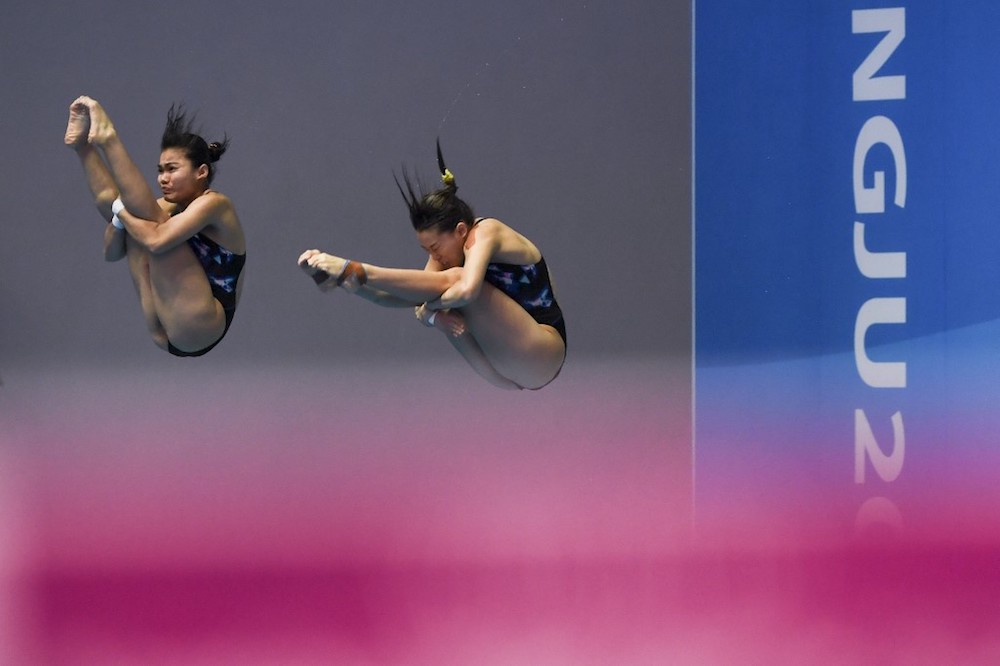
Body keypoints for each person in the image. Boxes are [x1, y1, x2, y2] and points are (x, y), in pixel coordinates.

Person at [299, 143, 566, 390]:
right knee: (446, 309)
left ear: (460, 230)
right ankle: (350, 280)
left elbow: (468, 291)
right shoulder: (445, 255)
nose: (432, 256)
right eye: (426, 250)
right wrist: (431, 315)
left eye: (435, 248)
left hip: (542, 350)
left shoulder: (486, 232)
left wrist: (429, 309)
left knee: (455, 286)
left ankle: (359, 270)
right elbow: (403, 299)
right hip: (506, 369)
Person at [66, 96, 246, 357]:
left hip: (203, 325)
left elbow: (156, 241)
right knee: (139, 220)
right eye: (160, 170)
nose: (163, 178)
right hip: (165, 331)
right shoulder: (164, 209)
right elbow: (112, 252)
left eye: (172, 169)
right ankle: (83, 148)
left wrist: (121, 211)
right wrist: (121, 215)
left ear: (202, 172)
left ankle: (109, 140)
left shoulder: (216, 205)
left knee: (148, 225)